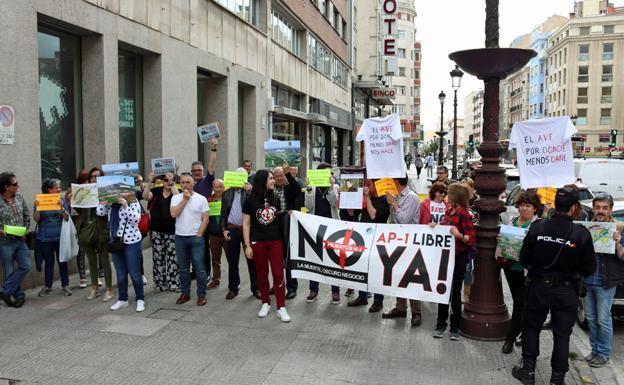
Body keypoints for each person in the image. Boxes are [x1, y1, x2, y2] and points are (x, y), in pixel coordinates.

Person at [512, 186, 596, 385]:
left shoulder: (538, 227)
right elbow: (590, 268)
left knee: (531, 328)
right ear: (575, 208)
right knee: (562, 335)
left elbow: (524, 259)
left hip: (539, 287)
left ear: (555, 205)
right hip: (566, 291)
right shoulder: (581, 234)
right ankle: (557, 379)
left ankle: (529, 372)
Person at [242, 170, 291, 322]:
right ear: (263, 180)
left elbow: (281, 216)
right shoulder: (249, 200)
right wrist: (247, 245)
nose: (273, 181)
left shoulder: (275, 197)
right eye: (270, 178)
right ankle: (265, 303)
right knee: (262, 274)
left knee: (278, 274)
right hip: (258, 242)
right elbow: (246, 223)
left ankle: (281, 307)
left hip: (276, 241)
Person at [582, 193, 624, 368]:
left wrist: (618, 243)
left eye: (604, 208)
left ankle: (604, 353)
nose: (600, 211)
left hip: (606, 283)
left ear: (610, 209)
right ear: (593, 208)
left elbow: (622, 257)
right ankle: (594, 350)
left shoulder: (619, 228)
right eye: (598, 207)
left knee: (603, 319)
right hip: (587, 280)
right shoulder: (587, 227)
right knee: (591, 318)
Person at [498, 190, 541, 355]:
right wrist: (501, 240)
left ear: (534, 208)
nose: (524, 209)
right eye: (522, 205)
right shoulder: (511, 221)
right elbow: (505, 241)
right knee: (520, 302)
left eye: (528, 206)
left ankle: (510, 338)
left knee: (519, 305)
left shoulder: (538, 225)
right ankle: (522, 332)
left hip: (527, 271)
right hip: (511, 268)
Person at [432, 183, 476, 341]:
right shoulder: (449, 211)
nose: (447, 195)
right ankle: (440, 324)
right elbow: (444, 229)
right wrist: (435, 226)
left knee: (455, 292)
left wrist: (459, 235)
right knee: (443, 290)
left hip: (458, 257)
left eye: (449, 193)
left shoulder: (464, 214)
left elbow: (471, 238)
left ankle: (455, 327)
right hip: (445, 256)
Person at [381, 176, 422, 326]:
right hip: (396, 241)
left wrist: (394, 204)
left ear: (397, 182)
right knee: (397, 274)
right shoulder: (396, 196)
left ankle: (416, 312)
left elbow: (404, 219)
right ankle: (400, 307)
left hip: (409, 242)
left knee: (411, 276)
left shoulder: (411, 197)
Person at [347, 178, 390, 312]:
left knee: (376, 271)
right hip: (363, 238)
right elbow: (351, 213)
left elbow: (373, 215)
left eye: (369, 185)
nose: (366, 187)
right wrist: (349, 197)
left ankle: (378, 301)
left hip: (377, 240)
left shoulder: (384, 200)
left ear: (376, 186)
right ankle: (362, 296)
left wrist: (367, 198)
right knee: (361, 267)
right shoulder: (368, 197)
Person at [97, 194, 144, 311]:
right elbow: (99, 212)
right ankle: (122, 299)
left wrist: (125, 205)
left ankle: (140, 299)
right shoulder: (111, 204)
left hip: (132, 241)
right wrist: (103, 202)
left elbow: (136, 220)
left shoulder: (133, 200)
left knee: (134, 273)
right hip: (116, 242)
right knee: (121, 273)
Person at [170, 173, 209, 306]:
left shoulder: (201, 199)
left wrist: (199, 234)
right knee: (183, 269)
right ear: (180, 184)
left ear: (193, 183)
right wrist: (185, 200)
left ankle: (201, 294)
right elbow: (174, 214)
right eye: (183, 182)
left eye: (188, 182)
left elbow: (206, 218)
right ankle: (185, 293)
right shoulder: (176, 198)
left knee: (199, 268)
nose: (185, 184)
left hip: (195, 238)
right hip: (180, 237)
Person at [304, 163, 341, 304]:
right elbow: (308, 206)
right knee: (315, 258)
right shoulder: (312, 187)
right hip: (316, 227)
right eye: (325, 173)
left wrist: (331, 188)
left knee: (333, 259)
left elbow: (335, 203)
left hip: (332, 228)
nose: (328, 175)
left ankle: (335, 291)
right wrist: (307, 189)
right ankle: (313, 290)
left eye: (330, 173)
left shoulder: (335, 186)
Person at [76, 167, 114, 302]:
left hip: (101, 229)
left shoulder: (106, 192)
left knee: (104, 260)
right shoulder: (85, 191)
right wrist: (73, 201)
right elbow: (79, 212)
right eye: (92, 177)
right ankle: (95, 288)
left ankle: (109, 289)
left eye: (97, 177)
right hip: (87, 229)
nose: (94, 179)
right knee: (91, 261)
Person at [221, 168, 259, 300]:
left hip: (248, 230)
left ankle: (256, 288)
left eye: (242, 176)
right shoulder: (226, 193)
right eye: (237, 175)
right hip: (232, 229)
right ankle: (233, 288)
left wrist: (251, 191)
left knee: (252, 260)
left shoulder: (250, 192)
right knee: (232, 261)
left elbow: (257, 209)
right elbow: (222, 214)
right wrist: (224, 229)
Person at [34, 178, 72, 297]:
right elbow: (36, 219)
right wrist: (37, 208)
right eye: (57, 187)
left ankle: (65, 285)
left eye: (59, 187)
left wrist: (62, 207)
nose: (60, 189)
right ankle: (48, 285)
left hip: (60, 237)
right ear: (49, 190)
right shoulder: (40, 200)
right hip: (45, 238)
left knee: (62, 261)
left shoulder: (61, 200)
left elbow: (67, 218)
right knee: (49, 262)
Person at [143, 172, 180, 292]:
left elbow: (177, 197)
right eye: (165, 180)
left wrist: (172, 182)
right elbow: (145, 196)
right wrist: (150, 182)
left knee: (172, 257)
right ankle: (159, 284)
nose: (168, 182)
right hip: (156, 230)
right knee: (158, 257)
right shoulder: (156, 191)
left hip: (171, 230)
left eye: (171, 179)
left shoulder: (175, 191)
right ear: (161, 181)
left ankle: (173, 283)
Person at [273, 164, 304, 299]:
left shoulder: (290, 186)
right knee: (276, 258)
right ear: (273, 178)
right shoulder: (271, 189)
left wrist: (287, 174)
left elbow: (298, 189)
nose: (279, 178)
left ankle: (291, 287)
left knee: (288, 257)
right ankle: (277, 284)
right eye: (277, 176)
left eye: (281, 176)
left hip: (288, 224)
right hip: (273, 225)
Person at [0, 172, 31, 308]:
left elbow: (26, 215)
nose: (18, 186)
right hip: (5, 241)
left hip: (20, 239)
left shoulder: (19, 197)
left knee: (25, 266)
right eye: (15, 184)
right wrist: (3, 231)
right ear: (6, 187)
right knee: (8, 270)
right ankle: (18, 296)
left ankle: (4, 291)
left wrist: (24, 229)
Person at [191, 138, 218, 284]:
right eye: (194, 170)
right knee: (193, 247)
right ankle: (195, 271)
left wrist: (213, 148)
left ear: (203, 171)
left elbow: (212, 165)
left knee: (204, 248)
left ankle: (207, 273)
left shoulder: (207, 180)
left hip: (206, 220)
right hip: (191, 221)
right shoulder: (187, 184)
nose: (196, 172)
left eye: (199, 170)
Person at [71, 169, 90, 288]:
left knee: (94, 250)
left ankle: (97, 275)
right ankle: (82, 277)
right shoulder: (75, 191)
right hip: (80, 226)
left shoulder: (94, 191)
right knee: (81, 252)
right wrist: (72, 201)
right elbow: (73, 212)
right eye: (85, 181)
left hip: (92, 224)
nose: (87, 183)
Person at [207, 179, 226, 289]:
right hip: (214, 235)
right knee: (215, 259)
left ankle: (233, 282)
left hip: (227, 234)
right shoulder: (209, 200)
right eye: (216, 187)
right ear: (213, 188)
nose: (218, 189)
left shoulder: (229, 199)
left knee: (231, 259)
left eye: (220, 186)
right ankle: (216, 280)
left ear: (224, 187)